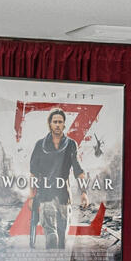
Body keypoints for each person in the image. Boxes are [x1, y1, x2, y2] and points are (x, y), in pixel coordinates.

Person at [25, 108, 84, 251]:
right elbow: (33, 173)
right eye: (55, 121)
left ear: (64, 125)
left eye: (60, 122)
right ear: (50, 124)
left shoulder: (70, 144)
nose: (57, 124)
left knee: (62, 236)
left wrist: (84, 192)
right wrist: (32, 196)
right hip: (45, 195)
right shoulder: (40, 145)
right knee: (51, 235)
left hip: (64, 196)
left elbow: (78, 170)